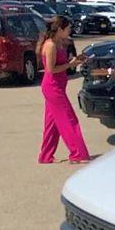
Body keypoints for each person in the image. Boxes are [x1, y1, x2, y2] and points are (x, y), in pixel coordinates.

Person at [37, 16, 91, 164]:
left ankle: (45, 156)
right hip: (52, 87)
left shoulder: (58, 43)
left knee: (52, 123)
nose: (70, 31)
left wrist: (76, 60)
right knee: (69, 119)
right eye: (67, 29)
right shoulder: (50, 45)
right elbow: (51, 69)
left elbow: (62, 64)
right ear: (60, 29)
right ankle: (78, 153)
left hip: (58, 86)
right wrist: (70, 64)